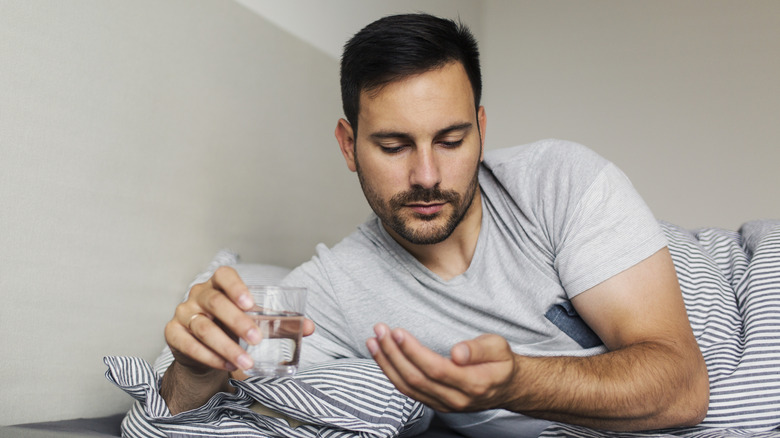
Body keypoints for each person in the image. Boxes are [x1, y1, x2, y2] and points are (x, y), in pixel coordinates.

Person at [160, 13, 709, 436]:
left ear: (481, 128)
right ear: (349, 146)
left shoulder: (557, 181)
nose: (427, 175)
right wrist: (194, 368)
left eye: (451, 141)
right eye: (394, 146)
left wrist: (518, 382)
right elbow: (196, 405)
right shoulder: (330, 293)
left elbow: (683, 385)